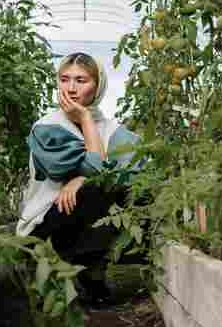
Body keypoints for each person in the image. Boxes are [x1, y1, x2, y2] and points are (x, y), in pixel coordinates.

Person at [16, 52, 141, 302]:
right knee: (96, 189)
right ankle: (48, 269)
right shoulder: (48, 128)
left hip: (85, 218)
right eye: (64, 79)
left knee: (129, 191)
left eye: (81, 81)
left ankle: (92, 271)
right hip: (46, 224)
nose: (71, 89)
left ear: (98, 86)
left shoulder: (113, 130)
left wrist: (80, 178)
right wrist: (84, 118)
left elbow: (131, 174)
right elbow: (97, 171)